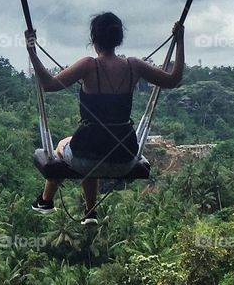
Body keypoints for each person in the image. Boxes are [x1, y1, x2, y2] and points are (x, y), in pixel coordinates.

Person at [26, 12, 185, 226]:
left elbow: (49, 85)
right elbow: (174, 80)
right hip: (125, 158)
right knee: (91, 148)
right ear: (118, 39)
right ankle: (90, 212)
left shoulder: (88, 65)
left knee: (66, 145)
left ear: (94, 40)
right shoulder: (134, 65)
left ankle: (46, 200)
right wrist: (180, 41)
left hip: (86, 156)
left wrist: (32, 52)